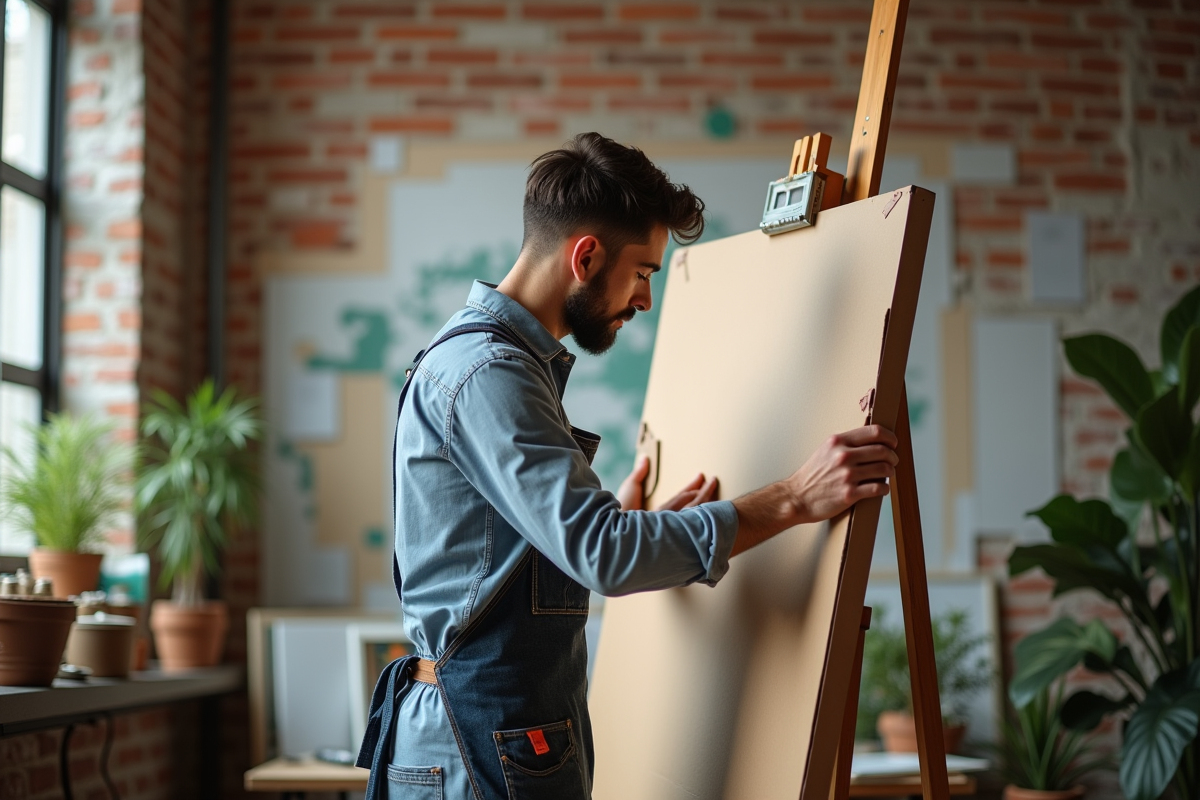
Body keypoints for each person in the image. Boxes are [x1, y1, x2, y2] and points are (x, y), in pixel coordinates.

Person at [357, 132, 899, 800]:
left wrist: (626, 529)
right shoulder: (491, 375)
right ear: (586, 256)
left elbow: (497, 558)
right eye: (643, 272)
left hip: (488, 729)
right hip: (478, 738)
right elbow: (605, 556)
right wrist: (791, 498)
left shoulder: (492, 366)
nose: (644, 299)